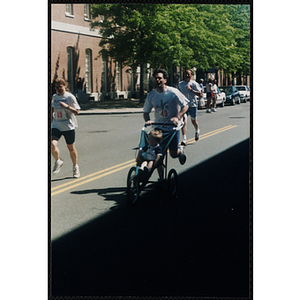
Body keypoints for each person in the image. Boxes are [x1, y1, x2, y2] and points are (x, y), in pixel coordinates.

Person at [143, 68, 189, 180]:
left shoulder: (173, 92)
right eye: (155, 78)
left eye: (160, 78)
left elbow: (185, 105)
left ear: (165, 80)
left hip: (172, 127)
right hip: (158, 127)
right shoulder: (151, 95)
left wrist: (178, 117)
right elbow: (146, 111)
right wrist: (147, 120)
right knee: (159, 154)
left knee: (173, 153)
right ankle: (161, 179)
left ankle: (180, 152)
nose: (157, 80)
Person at [51, 77, 81, 178]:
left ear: (65, 86)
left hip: (68, 126)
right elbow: (52, 110)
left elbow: (77, 112)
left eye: (60, 87)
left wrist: (67, 107)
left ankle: (75, 167)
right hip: (56, 125)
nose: (58, 89)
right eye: (56, 88)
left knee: (71, 148)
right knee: (52, 145)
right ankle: (58, 161)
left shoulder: (70, 97)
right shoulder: (54, 97)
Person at [178, 70, 202, 145]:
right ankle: (184, 139)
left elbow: (200, 94)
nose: (187, 75)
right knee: (184, 122)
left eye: (188, 74)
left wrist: (191, 89)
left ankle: (197, 130)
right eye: (186, 74)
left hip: (192, 105)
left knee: (193, 121)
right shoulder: (180, 84)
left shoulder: (194, 84)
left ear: (191, 75)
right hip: (184, 106)